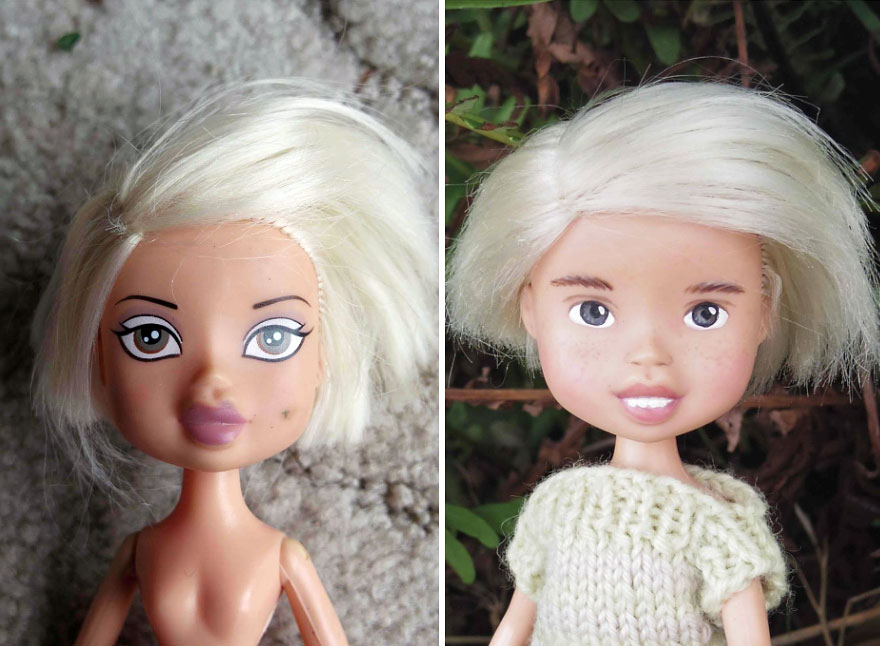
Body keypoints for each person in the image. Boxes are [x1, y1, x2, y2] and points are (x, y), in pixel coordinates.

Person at [448, 81, 880, 646]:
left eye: (705, 314)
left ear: (764, 315)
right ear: (530, 308)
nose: (648, 355)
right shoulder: (557, 507)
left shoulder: (715, 527)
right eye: (593, 311)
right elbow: (518, 618)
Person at [31, 80, 435, 645]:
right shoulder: (140, 551)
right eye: (151, 336)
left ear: (325, 354)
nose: (211, 383)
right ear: (96, 355)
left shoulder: (281, 554)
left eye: (273, 337)